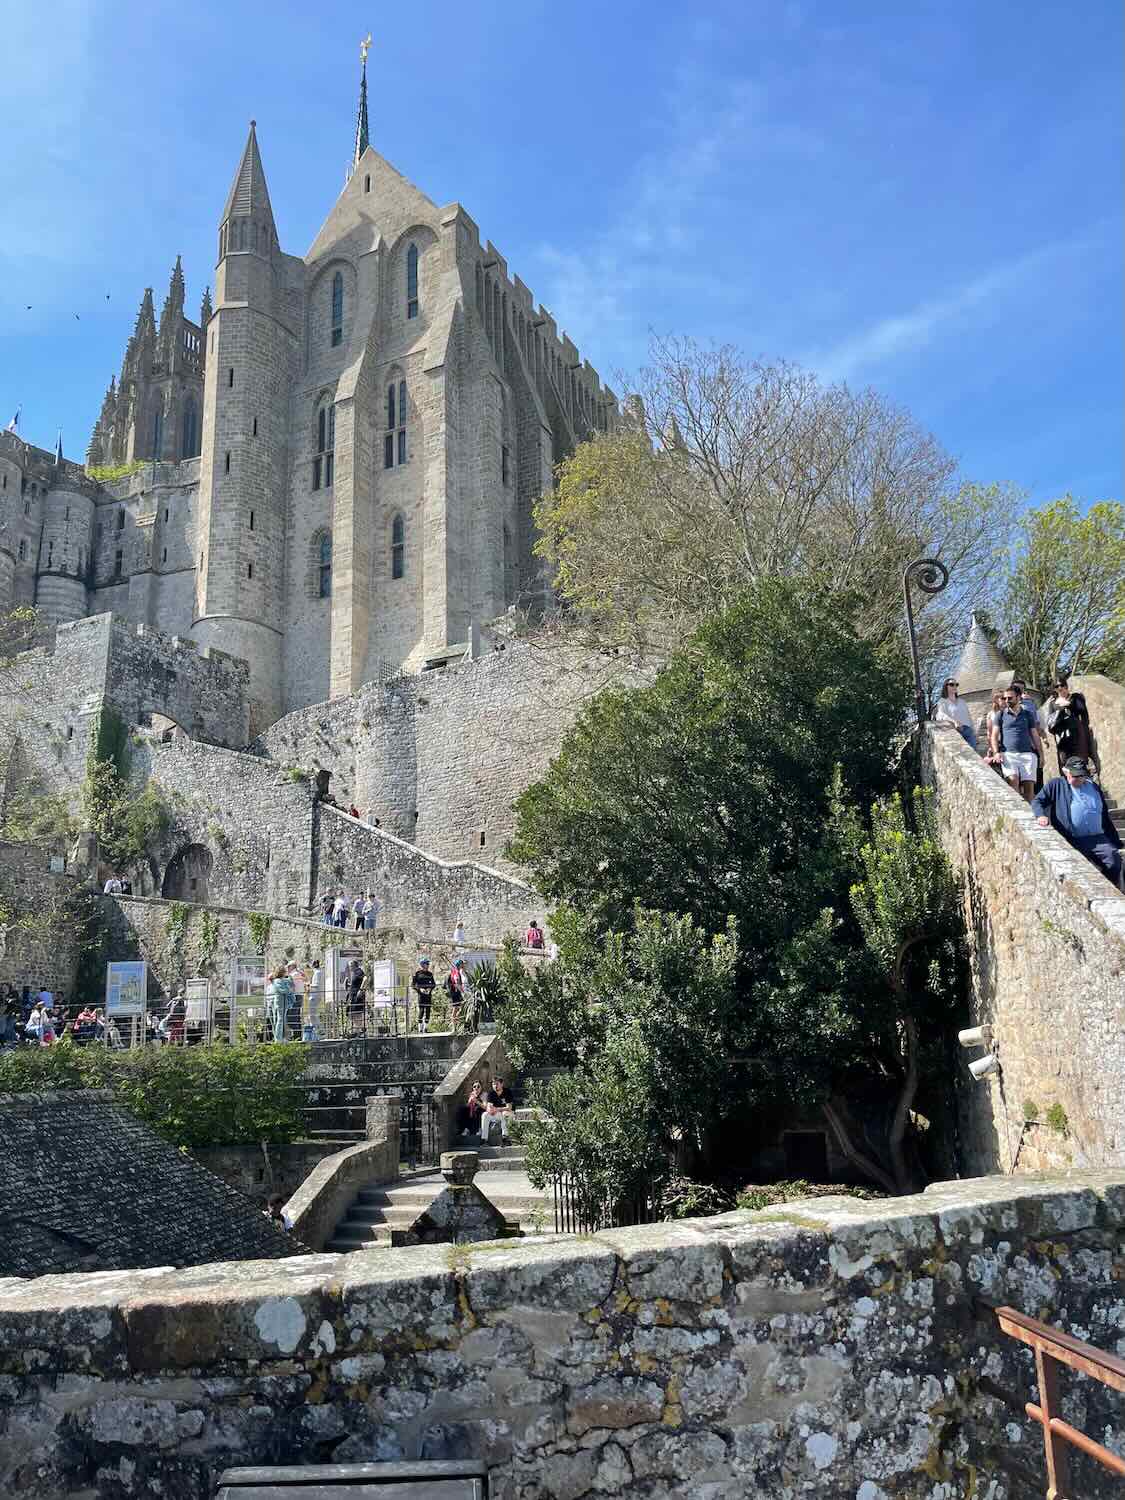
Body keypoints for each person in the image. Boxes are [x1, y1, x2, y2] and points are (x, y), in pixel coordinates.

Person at [1032, 755, 1122, 886]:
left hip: (1099, 838)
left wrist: (1113, 838)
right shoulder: (1057, 784)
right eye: (1074, 776)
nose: (1077, 779)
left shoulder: (1094, 787)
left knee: (1114, 860)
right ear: (1066, 772)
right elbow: (1038, 801)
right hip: (1074, 839)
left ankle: (1114, 890)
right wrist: (1040, 815)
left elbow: (1104, 815)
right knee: (1084, 868)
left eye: (1080, 776)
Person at [988, 686, 1043, 802]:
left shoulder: (1028, 714)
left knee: (1029, 788)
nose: (1007, 700)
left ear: (1018, 697)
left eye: (1010, 698)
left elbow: (1035, 735)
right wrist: (996, 752)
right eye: (1005, 698)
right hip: (1008, 755)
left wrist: (1041, 755)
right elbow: (994, 735)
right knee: (1013, 782)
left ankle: (1030, 817)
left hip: (1028, 755)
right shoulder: (1000, 715)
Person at [1043, 676, 1100, 778]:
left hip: (1077, 733)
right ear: (1054, 689)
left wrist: (1068, 704)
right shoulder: (1053, 703)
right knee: (1065, 763)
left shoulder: (1076, 697)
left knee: (1080, 760)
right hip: (1062, 737)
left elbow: (1083, 712)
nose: (1060, 688)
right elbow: (1050, 724)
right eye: (1057, 686)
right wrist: (1059, 709)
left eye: (1062, 685)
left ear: (1067, 686)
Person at [932, 679, 976, 749]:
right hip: (955, 731)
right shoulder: (942, 701)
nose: (955, 686)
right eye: (952, 684)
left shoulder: (962, 702)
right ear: (946, 687)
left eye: (956, 684)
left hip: (968, 731)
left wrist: (974, 731)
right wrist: (954, 721)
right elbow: (941, 715)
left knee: (973, 754)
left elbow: (968, 717)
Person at [411, 957, 436, 1033]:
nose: (428, 965)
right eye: (426, 963)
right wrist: (420, 989)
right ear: (422, 964)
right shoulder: (417, 974)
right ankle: (420, 1028)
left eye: (428, 963)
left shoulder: (430, 974)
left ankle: (425, 1028)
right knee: (421, 1011)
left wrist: (429, 989)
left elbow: (433, 984)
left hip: (428, 995)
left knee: (428, 1011)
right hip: (421, 995)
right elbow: (413, 985)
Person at [271, 968, 296, 1042]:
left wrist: (290, 979)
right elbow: (284, 990)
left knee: (282, 1019)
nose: (286, 973)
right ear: (282, 972)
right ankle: (278, 1038)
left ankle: (282, 1037)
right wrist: (289, 989)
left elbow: (291, 984)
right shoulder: (277, 981)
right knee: (280, 1019)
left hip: (284, 1002)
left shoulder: (283, 980)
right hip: (280, 1002)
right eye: (285, 971)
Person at [344, 959, 367, 1035]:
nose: (349, 968)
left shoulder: (359, 971)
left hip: (357, 996)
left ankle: (360, 1030)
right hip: (352, 996)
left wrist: (361, 990)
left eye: (350, 966)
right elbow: (355, 983)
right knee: (352, 1013)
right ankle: (357, 1030)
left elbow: (365, 979)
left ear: (354, 966)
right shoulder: (354, 973)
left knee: (357, 1013)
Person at [304, 959, 323, 1042]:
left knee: (312, 1015)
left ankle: (320, 1031)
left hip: (315, 995)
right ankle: (315, 1032)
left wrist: (308, 985)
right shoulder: (318, 972)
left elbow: (316, 985)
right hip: (315, 995)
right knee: (312, 1015)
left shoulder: (317, 973)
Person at [445, 957, 466, 1029]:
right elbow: (456, 983)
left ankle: (456, 1023)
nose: (463, 965)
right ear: (459, 965)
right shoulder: (456, 972)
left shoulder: (455, 971)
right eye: (462, 964)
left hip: (456, 993)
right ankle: (454, 1027)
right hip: (455, 993)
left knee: (459, 1008)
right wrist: (463, 992)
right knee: (455, 1009)